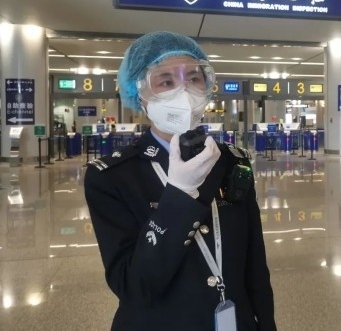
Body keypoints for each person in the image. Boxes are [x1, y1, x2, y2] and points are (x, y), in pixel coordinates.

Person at [84, 31, 276, 331]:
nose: (184, 92)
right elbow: (133, 287)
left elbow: (255, 267)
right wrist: (179, 196)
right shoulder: (112, 176)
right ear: (140, 94)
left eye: (194, 79)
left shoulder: (232, 159)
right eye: (165, 81)